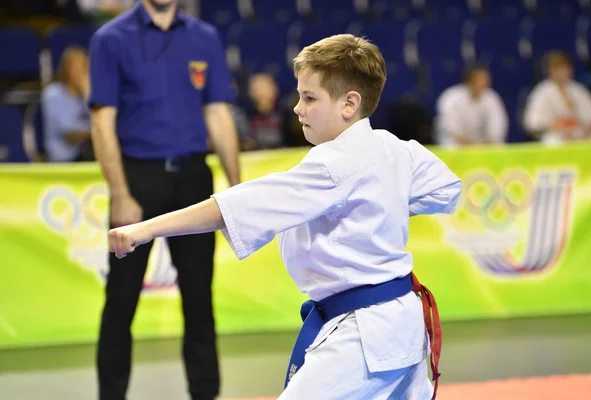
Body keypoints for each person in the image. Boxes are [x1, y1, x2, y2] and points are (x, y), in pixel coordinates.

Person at [108, 34, 461, 399]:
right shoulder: (393, 147)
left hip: (364, 336)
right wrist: (384, 201)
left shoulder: (332, 166)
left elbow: (236, 205)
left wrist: (144, 229)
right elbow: (447, 188)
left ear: (349, 103)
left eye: (309, 98)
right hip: (403, 323)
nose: (297, 108)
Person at [87, 0, 240, 399]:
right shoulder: (110, 39)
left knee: (199, 302)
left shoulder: (204, 37)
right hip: (138, 178)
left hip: (193, 178)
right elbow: (101, 121)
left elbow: (218, 114)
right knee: (120, 303)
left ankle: (206, 395)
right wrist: (120, 193)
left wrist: (237, 192)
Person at [523, 50, 591, 145]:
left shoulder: (579, 90)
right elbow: (532, 123)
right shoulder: (542, 92)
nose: (561, 72)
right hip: (556, 134)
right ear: (549, 71)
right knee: (552, 141)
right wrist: (556, 125)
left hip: (580, 134)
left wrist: (585, 129)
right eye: (556, 69)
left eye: (564, 68)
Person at [41, 46, 94, 162]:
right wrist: (99, 131)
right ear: (66, 69)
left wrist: (88, 96)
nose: (80, 73)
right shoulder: (53, 95)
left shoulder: (88, 93)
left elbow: (98, 121)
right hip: (65, 159)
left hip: (86, 155)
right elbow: (71, 137)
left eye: (84, 67)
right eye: (76, 67)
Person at [435, 65, 508, 147]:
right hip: (458, 144)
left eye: (486, 79)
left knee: (499, 145)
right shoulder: (451, 98)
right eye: (480, 79)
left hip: (484, 145)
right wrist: (472, 144)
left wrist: (487, 142)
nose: (484, 83)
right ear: (469, 81)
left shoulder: (492, 97)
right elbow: (451, 130)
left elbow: (497, 125)